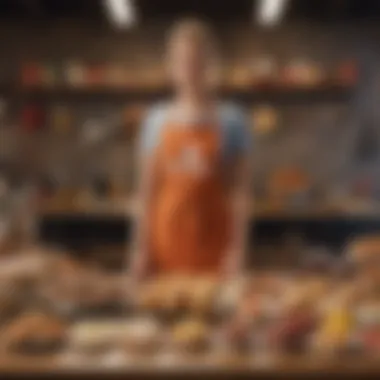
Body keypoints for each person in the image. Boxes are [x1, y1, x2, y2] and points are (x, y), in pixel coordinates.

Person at [130, 19, 251, 279]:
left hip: (215, 251)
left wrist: (238, 251)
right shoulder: (155, 120)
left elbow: (239, 193)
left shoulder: (232, 120)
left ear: (211, 65)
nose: (191, 69)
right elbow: (146, 193)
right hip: (164, 248)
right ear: (172, 67)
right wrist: (140, 250)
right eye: (183, 61)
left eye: (198, 61)